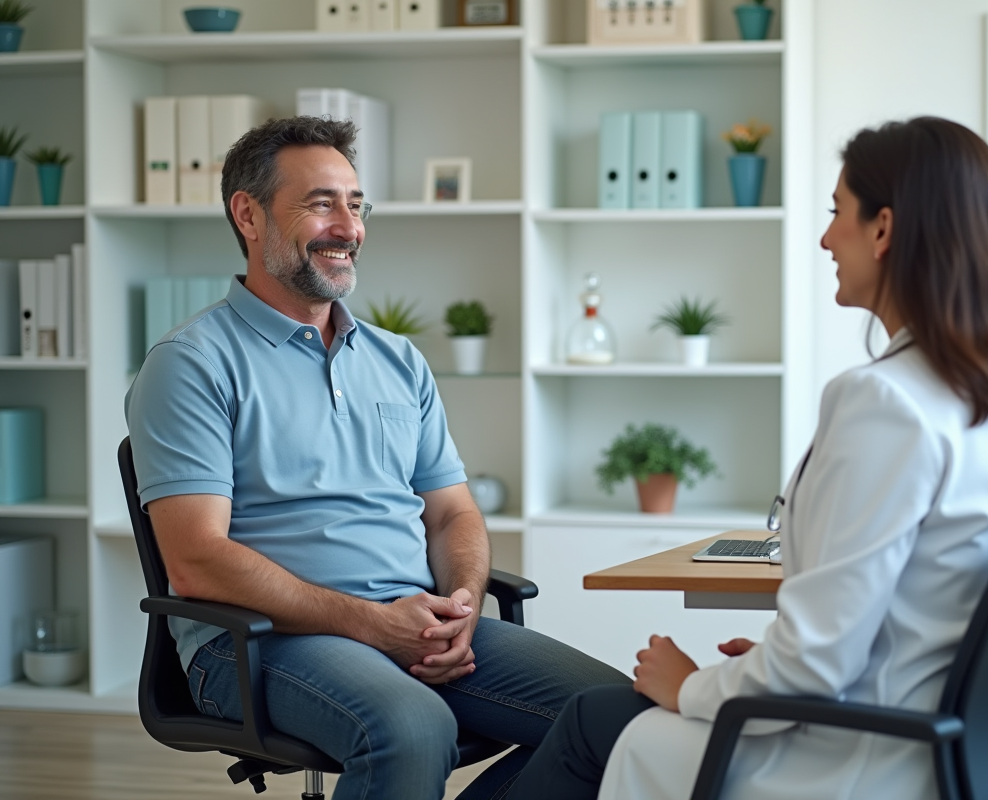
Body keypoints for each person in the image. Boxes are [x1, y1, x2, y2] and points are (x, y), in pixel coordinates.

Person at [504, 116, 988, 800]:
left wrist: (693, 686)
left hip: (863, 757)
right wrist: (769, 667)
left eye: (838, 213)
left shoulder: (884, 403)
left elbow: (816, 667)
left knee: (595, 718)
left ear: (884, 229)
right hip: (960, 745)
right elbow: (912, 622)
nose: (827, 238)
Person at [124, 116, 628, 800]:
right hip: (257, 644)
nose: (349, 227)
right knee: (412, 727)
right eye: (321, 203)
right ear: (248, 214)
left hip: (413, 617)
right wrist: (370, 624)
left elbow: (452, 512)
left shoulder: (398, 360)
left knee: (623, 720)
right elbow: (196, 559)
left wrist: (460, 607)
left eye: (356, 204)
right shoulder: (191, 365)